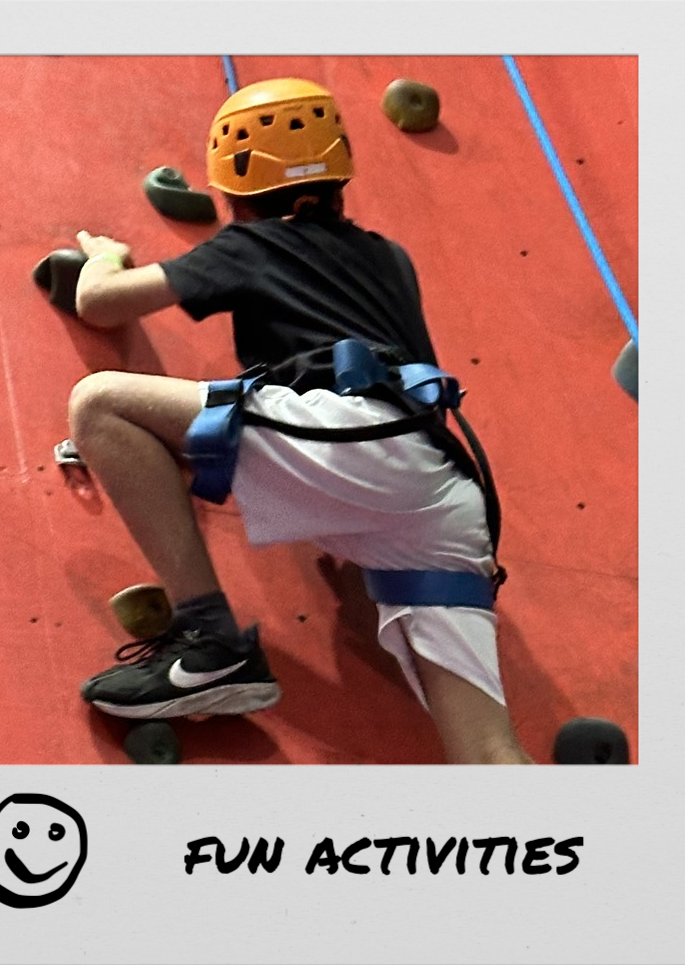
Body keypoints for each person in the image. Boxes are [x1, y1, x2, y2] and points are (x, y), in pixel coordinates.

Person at [69, 77, 533, 764]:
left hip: (345, 441)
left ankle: (210, 642)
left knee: (100, 403)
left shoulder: (248, 247)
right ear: (340, 174)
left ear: (233, 194)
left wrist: (102, 259)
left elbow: (100, 304)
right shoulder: (389, 257)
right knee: (489, 752)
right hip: (440, 492)